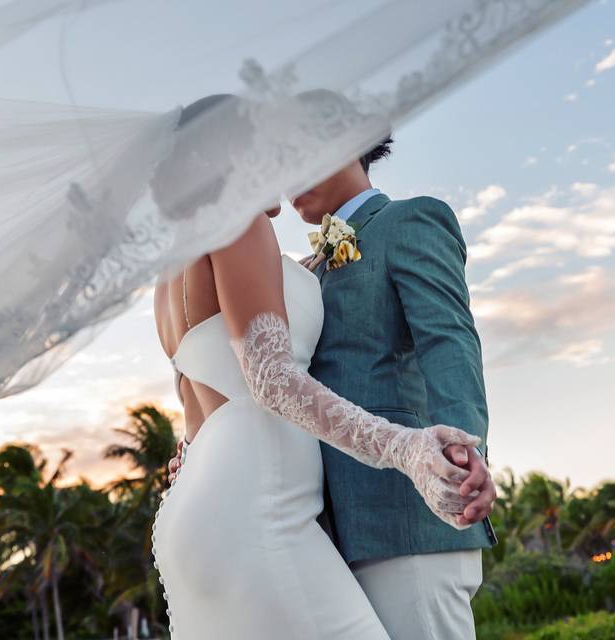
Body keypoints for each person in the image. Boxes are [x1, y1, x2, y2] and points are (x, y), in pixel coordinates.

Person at [151, 94, 494, 639]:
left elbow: (450, 345)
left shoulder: (409, 222)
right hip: (294, 517)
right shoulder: (253, 244)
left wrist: (460, 455)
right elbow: (268, 379)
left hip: (398, 517)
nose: (283, 170)